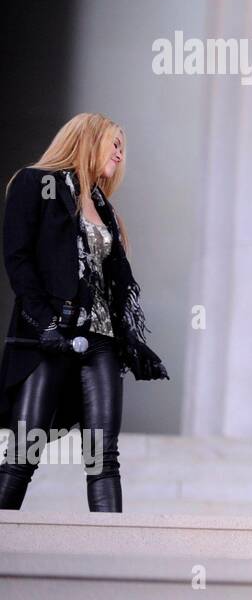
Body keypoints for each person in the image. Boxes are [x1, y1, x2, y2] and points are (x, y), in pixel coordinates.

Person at [0, 113, 168, 512]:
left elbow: (109, 282)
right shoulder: (35, 183)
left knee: (103, 457)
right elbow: (18, 261)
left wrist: (129, 339)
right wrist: (45, 325)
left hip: (101, 342)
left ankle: (113, 562)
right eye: (114, 144)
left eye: (122, 148)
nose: (120, 153)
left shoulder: (103, 208)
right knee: (24, 451)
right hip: (51, 337)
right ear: (88, 141)